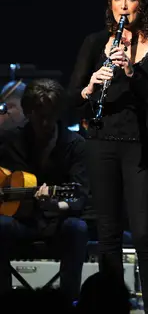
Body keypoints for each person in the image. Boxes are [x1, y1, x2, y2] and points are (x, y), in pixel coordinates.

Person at [68, 0, 148, 314]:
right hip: (101, 143)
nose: (122, 6)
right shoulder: (95, 41)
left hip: (139, 145)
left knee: (143, 235)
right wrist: (89, 88)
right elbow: (72, 98)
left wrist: (131, 73)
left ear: (142, 4)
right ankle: (109, 309)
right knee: (108, 235)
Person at [0, 78, 89, 304]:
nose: (47, 123)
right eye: (41, 116)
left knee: (77, 228)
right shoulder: (9, 141)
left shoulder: (75, 145)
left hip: (55, 224)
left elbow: (79, 197)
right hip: (20, 223)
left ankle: (69, 301)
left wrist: (56, 205)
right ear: (28, 112)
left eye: (52, 115)